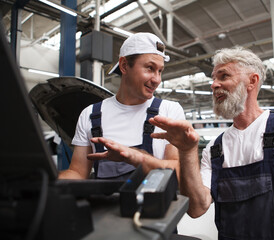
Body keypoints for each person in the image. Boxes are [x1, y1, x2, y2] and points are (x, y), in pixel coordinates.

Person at [149, 46, 274, 239]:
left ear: (252, 81)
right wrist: (187, 151)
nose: (214, 84)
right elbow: (196, 208)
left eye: (224, 75)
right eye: (213, 78)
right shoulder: (215, 149)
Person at [58, 32, 185, 180]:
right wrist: (48, 180)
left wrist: (137, 157)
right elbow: (78, 173)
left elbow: (179, 171)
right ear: (124, 66)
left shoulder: (169, 111)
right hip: (105, 203)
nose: (157, 79)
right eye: (150, 68)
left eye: (160, 71)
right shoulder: (90, 114)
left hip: (152, 203)